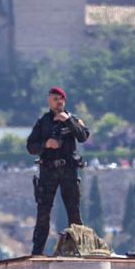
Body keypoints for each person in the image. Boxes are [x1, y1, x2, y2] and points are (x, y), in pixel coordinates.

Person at [24, 86, 89, 256]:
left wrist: (67, 121)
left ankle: (79, 248)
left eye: (60, 99)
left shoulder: (73, 119)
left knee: (74, 211)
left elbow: (83, 136)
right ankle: (37, 251)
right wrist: (46, 144)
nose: (58, 102)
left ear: (64, 101)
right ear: (49, 101)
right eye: (55, 99)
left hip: (69, 171)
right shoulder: (43, 122)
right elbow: (30, 146)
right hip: (48, 171)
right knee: (43, 212)